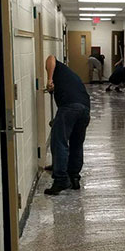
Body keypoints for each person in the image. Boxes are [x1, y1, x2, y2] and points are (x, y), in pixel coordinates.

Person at [43, 54, 91, 195]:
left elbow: (50, 58)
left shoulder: (56, 66)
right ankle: (74, 176)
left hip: (70, 107)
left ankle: (61, 179)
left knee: (59, 142)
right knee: (76, 143)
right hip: (84, 109)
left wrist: (49, 79)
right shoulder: (70, 77)